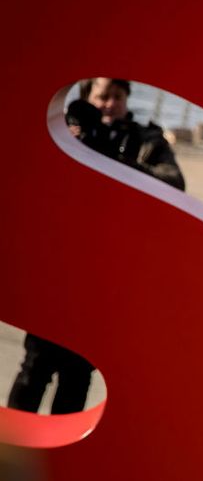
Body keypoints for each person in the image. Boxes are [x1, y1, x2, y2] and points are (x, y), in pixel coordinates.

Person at [6, 78, 185, 414]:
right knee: (35, 366)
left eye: (117, 97)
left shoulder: (145, 140)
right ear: (88, 99)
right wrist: (71, 146)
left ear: (127, 100)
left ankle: (60, 459)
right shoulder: (66, 135)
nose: (109, 104)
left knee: (78, 374)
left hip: (106, 280)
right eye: (102, 96)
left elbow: (174, 182)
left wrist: (116, 163)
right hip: (59, 273)